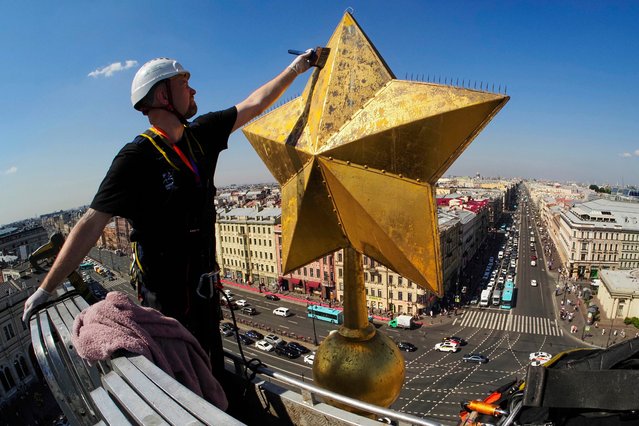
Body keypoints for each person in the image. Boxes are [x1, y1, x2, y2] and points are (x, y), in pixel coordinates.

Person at [23, 51, 313, 377]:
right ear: (163, 95)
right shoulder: (136, 158)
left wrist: (297, 67)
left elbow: (256, 102)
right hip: (165, 304)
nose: (194, 90)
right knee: (183, 378)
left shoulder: (201, 135)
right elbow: (90, 225)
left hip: (203, 292)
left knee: (212, 371)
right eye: (184, 83)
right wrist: (46, 289)